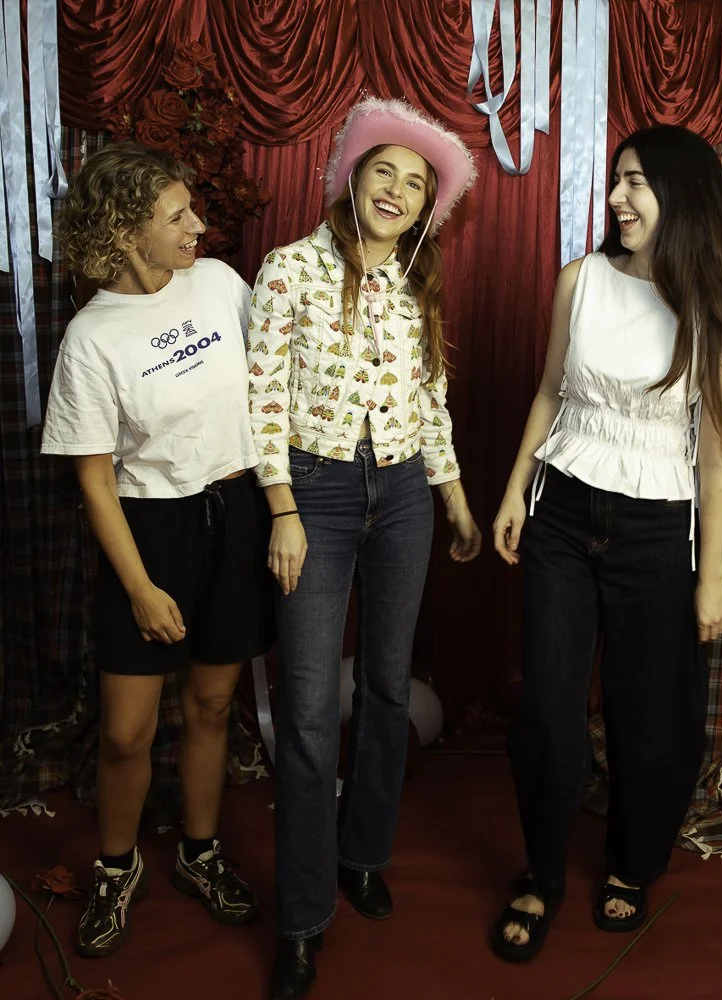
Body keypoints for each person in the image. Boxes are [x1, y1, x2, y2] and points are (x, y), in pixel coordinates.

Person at [491, 125, 722, 961]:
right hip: (564, 511)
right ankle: (539, 876)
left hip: (660, 528)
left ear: (680, 196)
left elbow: (719, 460)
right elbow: (549, 392)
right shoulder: (579, 281)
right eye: (617, 180)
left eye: (637, 183)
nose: (617, 197)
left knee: (649, 715)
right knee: (545, 706)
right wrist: (515, 489)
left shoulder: (713, 306)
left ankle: (631, 864)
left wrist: (711, 580)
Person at [248, 98, 482, 999]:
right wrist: (283, 508)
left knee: (387, 686)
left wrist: (454, 499)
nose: (397, 189)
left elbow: (431, 400)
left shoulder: (414, 285)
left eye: (416, 181)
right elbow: (261, 397)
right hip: (315, 491)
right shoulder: (289, 270)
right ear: (352, 174)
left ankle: (364, 853)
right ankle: (303, 918)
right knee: (309, 711)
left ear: (428, 206)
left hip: (407, 498)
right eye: (384, 169)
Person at [41, 142, 270, 957]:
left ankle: (201, 854)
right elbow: (95, 484)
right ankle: (115, 866)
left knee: (212, 706)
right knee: (126, 733)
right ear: (128, 233)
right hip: (150, 530)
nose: (198, 225)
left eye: (192, 209)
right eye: (177, 216)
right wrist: (138, 586)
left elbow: (275, 377)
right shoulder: (91, 339)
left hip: (236, 511)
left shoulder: (218, 284)